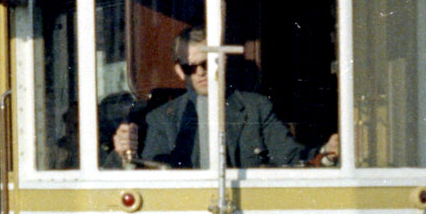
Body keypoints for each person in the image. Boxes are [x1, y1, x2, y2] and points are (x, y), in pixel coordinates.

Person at [108, 26, 339, 169]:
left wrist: (325, 153)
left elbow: (291, 157)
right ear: (179, 71)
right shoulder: (161, 119)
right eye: (190, 67)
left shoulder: (255, 108)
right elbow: (152, 174)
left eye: (207, 63)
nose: (200, 72)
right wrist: (125, 154)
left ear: (222, 61)